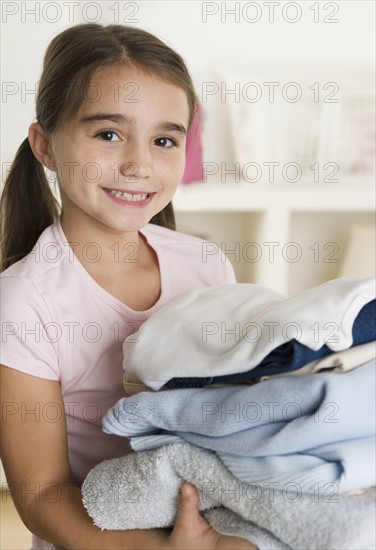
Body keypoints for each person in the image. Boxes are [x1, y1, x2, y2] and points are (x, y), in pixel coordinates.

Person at [0, 23, 255, 550]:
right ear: (45, 145)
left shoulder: (207, 265)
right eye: (108, 134)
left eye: (164, 140)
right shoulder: (25, 300)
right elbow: (42, 495)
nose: (139, 164)